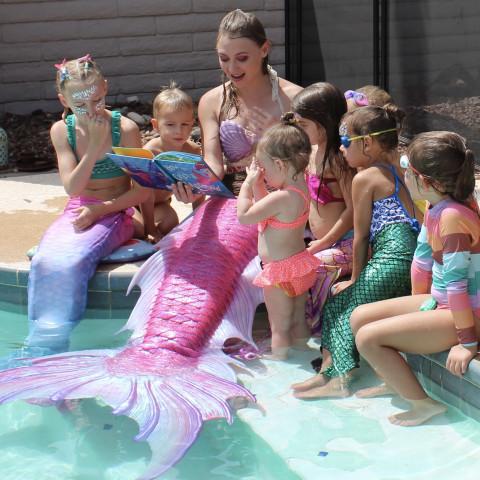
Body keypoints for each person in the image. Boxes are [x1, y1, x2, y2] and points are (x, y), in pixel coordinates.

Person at [20, 55, 150, 361]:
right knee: (44, 262)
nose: (91, 111)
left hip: (116, 212)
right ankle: (40, 343)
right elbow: (73, 189)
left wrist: (101, 211)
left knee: (70, 262)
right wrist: (91, 148)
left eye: (97, 99)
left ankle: (53, 342)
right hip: (79, 209)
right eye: (80, 105)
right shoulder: (61, 131)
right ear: (63, 100)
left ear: (105, 88)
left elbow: (143, 191)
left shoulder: (126, 129)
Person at [351, 131, 480, 426]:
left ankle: (424, 405)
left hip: (468, 315)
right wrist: (415, 306)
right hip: (444, 303)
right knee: (360, 317)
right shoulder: (436, 207)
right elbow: (421, 262)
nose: (402, 174)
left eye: (407, 169)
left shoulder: (453, 218)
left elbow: (458, 284)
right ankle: (395, 381)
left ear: (424, 182)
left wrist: (467, 343)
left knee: (369, 338)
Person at [292, 104, 420, 398]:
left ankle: (339, 380)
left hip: (393, 258)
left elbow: (361, 237)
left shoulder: (366, 178)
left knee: (340, 306)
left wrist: (355, 280)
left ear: (368, 143)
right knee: (349, 308)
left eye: (345, 142)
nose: (341, 151)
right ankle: (336, 374)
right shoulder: (400, 167)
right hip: (409, 257)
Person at [172, 8, 302, 203]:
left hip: (285, 199)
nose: (232, 69)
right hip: (233, 198)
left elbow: (313, 162)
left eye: (242, 58)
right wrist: (197, 187)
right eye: (224, 58)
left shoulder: (295, 99)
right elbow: (213, 163)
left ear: (264, 49)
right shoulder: (211, 101)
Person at [237, 113, 320, 359]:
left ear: (281, 165)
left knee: (279, 327)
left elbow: (245, 216)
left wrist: (245, 186)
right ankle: (302, 349)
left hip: (279, 272)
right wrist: (258, 185)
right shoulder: (300, 187)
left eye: (265, 168)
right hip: (300, 266)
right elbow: (267, 209)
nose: (263, 174)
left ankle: (279, 359)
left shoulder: (281, 197)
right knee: (297, 320)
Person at [291, 82, 355, 331]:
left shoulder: (339, 159)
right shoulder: (312, 153)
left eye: (304, 125)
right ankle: (303, 327)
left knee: (314, 268)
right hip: (323, 240)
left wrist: (325, 241)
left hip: (346, 241)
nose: (300, 130)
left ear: (324, 122)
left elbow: (352, 210)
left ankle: (321, 331)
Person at [143, 82, 201, 241]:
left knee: (170, 222)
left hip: (160, 204)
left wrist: (198, 225)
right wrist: (150, 229)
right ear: (156, 125)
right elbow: (144, 195)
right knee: (135, 228)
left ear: (192, 124)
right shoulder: (150, 152)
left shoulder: (193, 152)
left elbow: (199, 191)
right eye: (170, 125)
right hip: (135, 206)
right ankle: (144, 229)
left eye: (185, 124)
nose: (179, 131)